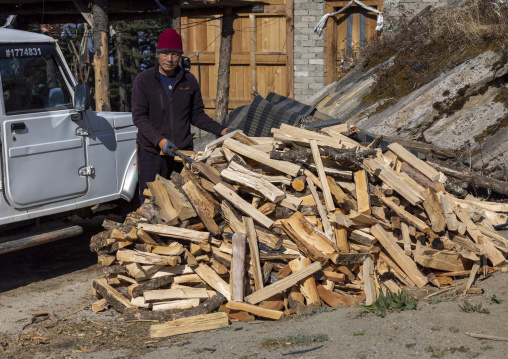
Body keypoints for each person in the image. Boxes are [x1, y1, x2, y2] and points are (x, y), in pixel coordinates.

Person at [132, 28, 235, 202]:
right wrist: (160, 141)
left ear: (180, 56)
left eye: (174, 54)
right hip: (153, 154)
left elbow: (197, 116)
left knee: (183, 203)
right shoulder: (144, 80)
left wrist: (223, 130)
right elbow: (140, 117)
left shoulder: (189, 80)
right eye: (165, 54)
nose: (169, 59)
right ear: (158, 54)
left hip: (181, 154)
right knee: (151, 203)